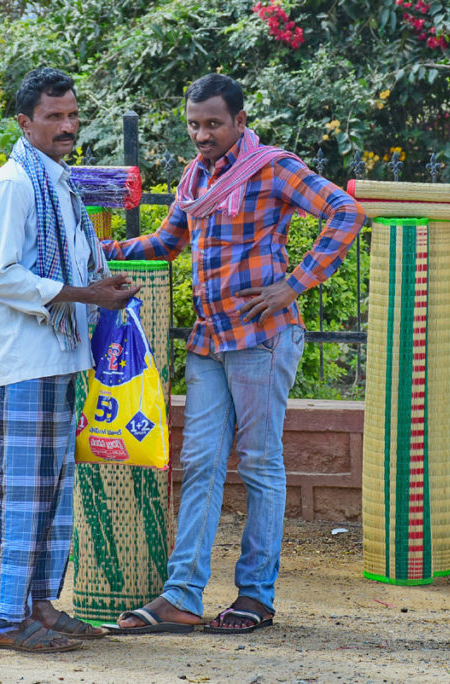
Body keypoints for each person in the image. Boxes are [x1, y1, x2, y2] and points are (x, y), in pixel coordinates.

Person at [103, 73, 364, 635]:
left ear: (240, 121)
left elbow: (346, 213)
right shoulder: (196, 177)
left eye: (214, 123)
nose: (202, 134)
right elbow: (167, 242)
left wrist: (294, 284)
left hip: (261, 340)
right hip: (208, 342)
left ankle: (255, 597)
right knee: (199, 463)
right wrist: (100, 252)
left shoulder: (273, 167)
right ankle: (181, 596)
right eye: (194, 124)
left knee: (260, 465)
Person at [0, 67, 140, 653]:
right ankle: (9, 620)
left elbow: (70, 266)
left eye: (72, 115)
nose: (67, 126)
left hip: (62, 357)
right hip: (25, 363)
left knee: (54, 493)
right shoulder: (13, 185)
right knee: (22, 492)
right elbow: (1, 277)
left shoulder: (59, 184)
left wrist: (99, 284)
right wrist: (87, 294)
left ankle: (40, 605)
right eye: (53, 117)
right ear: (25, 122)